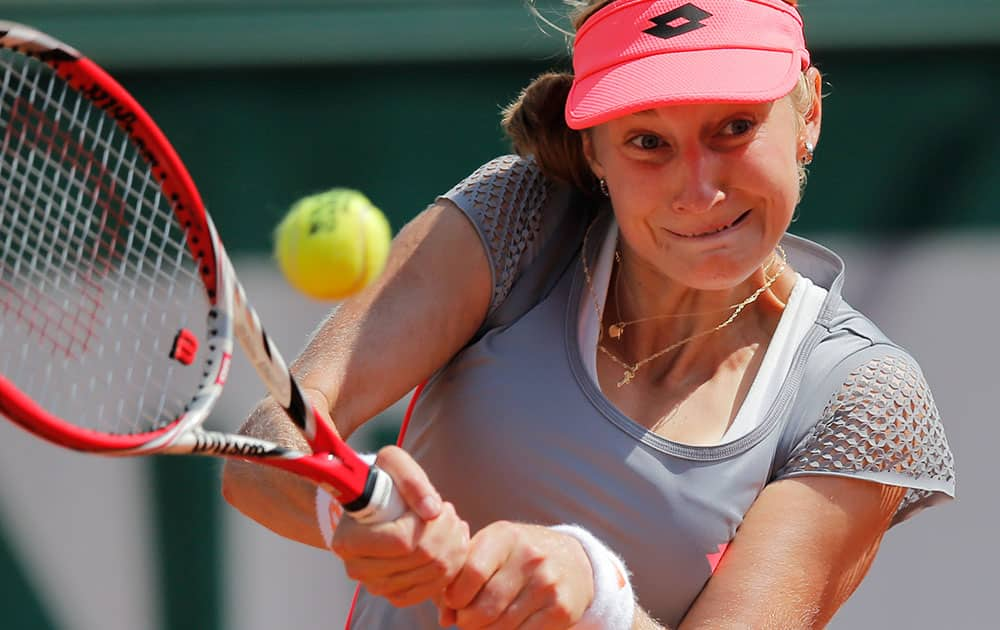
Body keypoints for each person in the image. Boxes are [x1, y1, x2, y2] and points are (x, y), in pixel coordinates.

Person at [222, 0, 956, 627]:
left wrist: (594, 594)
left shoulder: (863, 399)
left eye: (734, 126)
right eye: (647, 142)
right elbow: (264, 452)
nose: (698, 191)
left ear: (809, 112)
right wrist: (350, 518)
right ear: (594, 150)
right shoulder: (517, 216)